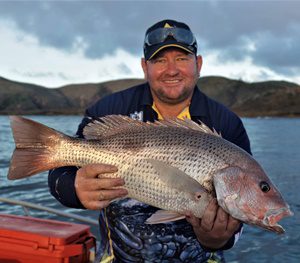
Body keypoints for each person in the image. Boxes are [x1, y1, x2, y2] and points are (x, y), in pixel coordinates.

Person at [49, 19, 251, 262]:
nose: (172, 69)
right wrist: (75, 190)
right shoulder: (110, 108)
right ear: (145, 67)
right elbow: (59, 170)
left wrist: (219, 239)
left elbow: (243, 209)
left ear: (198, 64)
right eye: (159, 60)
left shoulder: (227, 123)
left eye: (182, 58)